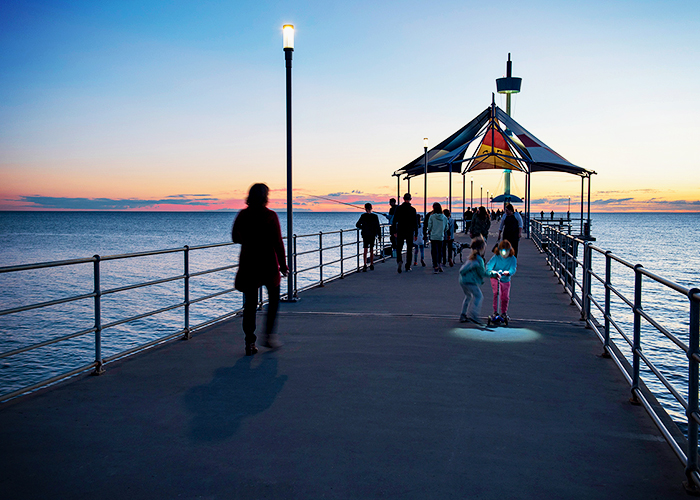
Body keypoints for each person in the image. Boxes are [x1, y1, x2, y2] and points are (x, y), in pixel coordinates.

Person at [231, 183, 288, 356]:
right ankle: (269, 335)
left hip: (249, 264)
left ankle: (249, 342)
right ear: (265, 196)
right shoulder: (270, 216)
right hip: (268, 264)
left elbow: (235, 237)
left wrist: (249, 241)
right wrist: (283, 265)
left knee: (250, 305)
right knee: (274, 301)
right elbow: (278, 242)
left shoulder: (243, 215)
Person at [486, 239, 517, 322]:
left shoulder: (512, 259)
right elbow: (489, 266)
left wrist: (508, 272)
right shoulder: (496, 257)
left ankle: (503, 312)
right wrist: (492, 272)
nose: (504, 254)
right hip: (496, 278)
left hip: (506, 279)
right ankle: (495, 312)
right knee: (497, 293)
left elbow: (513, 269)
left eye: (506, 252)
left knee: (505, 297)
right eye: (502, 251)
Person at [458, 237, 488, 324]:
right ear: (482, 249)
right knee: (479, 296)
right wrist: (493, 274)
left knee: (468, 296)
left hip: (463, 280)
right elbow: (482, 273)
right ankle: (474, 314)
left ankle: (463, 314)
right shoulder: (479, 260)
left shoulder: (471, 258)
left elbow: (462, 270)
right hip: (470, 281)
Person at [393, 193, 418, 273]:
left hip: (400, 230)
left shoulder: (398, 208)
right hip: (410, 231)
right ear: (410, 199)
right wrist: (416, 234)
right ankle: (408, 266)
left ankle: (399, 261)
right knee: (409, 249)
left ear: (403, 199)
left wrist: (394, 231)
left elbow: (394, 221)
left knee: (399, 248)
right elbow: (415, 223)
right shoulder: (412, 210)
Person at [356, 203, 381, 272]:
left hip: (365, 234)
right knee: (371, 249)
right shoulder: (375, 216)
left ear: (365, 209)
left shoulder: (363, 216)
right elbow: (378, 227)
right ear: (371, 208)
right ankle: (371, 264)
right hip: (372, 234)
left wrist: (363, 228)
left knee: (365, 249)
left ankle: (364, 264)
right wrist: (379, 236)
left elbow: (357, 224)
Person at [427, 202, 448, 273]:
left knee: (434, 251)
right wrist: (442, 231)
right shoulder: (444, 217)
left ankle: (435, 265)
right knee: (440, 251)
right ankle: (440, 264)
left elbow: (429, 226)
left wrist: (430, 230)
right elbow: (446, 227)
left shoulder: (432, 217)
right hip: (440, 236)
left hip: (433, 236)